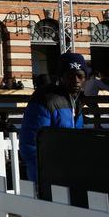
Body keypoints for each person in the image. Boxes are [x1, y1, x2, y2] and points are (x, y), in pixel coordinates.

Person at [19, 52, 89, 182]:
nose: (76, 80)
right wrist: (43, 174)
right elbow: (31, 143)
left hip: (70, 173)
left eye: (80, 76)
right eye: (70, 75)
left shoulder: (76, 102)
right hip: (49, 175)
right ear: (61, 77)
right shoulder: (45, 99)